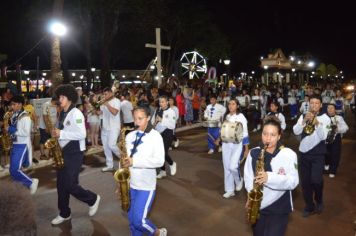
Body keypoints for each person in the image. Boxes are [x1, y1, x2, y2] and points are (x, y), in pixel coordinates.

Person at [50, 84, 100, 225]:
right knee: (61, 184)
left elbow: (82, 134)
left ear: (69, 98)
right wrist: (56, 134)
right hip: (63, 151)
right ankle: (64, 213)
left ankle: (93, 199)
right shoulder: (62, 113)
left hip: (74, 152)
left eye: (62, 97)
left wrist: (62, 133)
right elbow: (62, 131)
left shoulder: (76, 113)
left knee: (70, 184)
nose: (59, 99)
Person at [244, 116, 299, 236]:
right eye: (265, 134)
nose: (268, 138)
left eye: (273, 135)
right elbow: (248, 177)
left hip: (279, 206)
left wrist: (269, 178)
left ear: (279, 136)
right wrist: (250, 194)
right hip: (258, 206)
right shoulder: (253, 153)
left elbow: (293, 181)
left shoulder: (289, 155)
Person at [121, 106, 167, 236]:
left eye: (140, 118)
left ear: (148, 118)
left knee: (139, 221)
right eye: (135, 119)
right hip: (130, 184)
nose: (136, 122)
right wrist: (122, 183)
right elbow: (125, 159)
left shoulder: (155, 136)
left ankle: (158, 233)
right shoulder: (130, 135)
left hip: (146, 185)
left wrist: (134, 162)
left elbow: (159, 161)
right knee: (132, 221)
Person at [293, 94, 330, 217]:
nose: (314, 105)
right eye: (312, 103)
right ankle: (309, 206)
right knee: (306, 182)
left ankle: (319, 200)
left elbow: (324, 136)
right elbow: (295, 131)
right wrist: (303, 121)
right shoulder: (303, 115)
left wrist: (317, 123)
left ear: (321, 105)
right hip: (304, 153)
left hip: (318, 154)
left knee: (316, 180)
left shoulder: (325, 118)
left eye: (316, 103)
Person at [7, 95, 39, 195]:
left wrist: (13, 130)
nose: (12, 106)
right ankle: (20, 188)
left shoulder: (25, 117)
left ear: (20, 104)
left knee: (14, 169)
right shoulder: (14, 115)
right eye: (11, 104)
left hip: (22, 145)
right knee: (13, 170)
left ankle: (31, 182)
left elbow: (26, 132)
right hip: (15, 144)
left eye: (14, 104)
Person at [218, 98, 249, 198]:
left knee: (233, 166)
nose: (231, 106)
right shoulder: (225, 116)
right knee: (226, 167)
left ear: (237, 106)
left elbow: (245, 133)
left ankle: (239, 180)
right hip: (226, 144)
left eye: (233, 104)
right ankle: (230, 189)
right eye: (229, 104)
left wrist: (246, 148)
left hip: (237, 145)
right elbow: (222, 130)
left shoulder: (241, 117)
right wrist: (219, 138)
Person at [152, 96, 177, 179]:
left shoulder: (171, 112)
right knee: (159, 153)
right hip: (158, 133)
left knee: (163, 152)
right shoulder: (157, 110)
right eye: (160, 102)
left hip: (168, 133)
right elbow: (153, 121)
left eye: (163, 102)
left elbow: (172, 125)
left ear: (167, 102)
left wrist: (161, 120)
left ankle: (172, 163)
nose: (161, 103)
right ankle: (163, 171)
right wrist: (154, 122)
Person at [324, 102, 348, 178]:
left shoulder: (339, 118)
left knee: (335, 155)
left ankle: (333, 171)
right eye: (328, 108)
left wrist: (338, 129)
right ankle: (327, 163)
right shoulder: (323, 118)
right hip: (325, 139)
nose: (330, 109)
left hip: (335, 139)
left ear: (335, 110)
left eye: (332, 108)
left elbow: (346, 128)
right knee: (326, 154)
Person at [100, 87, 121, 172]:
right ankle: (109, 165)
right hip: (105, 127)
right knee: (106, 147)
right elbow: (101, 113)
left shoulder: (117, 101)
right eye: (104, 94)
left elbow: (115, 112)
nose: (104, 96)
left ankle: (123, 158)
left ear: (111, 93)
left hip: (114, 127)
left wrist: (107, 104)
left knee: (111, 145)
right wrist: (93, 109)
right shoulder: (103, 103)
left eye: (106, 94)